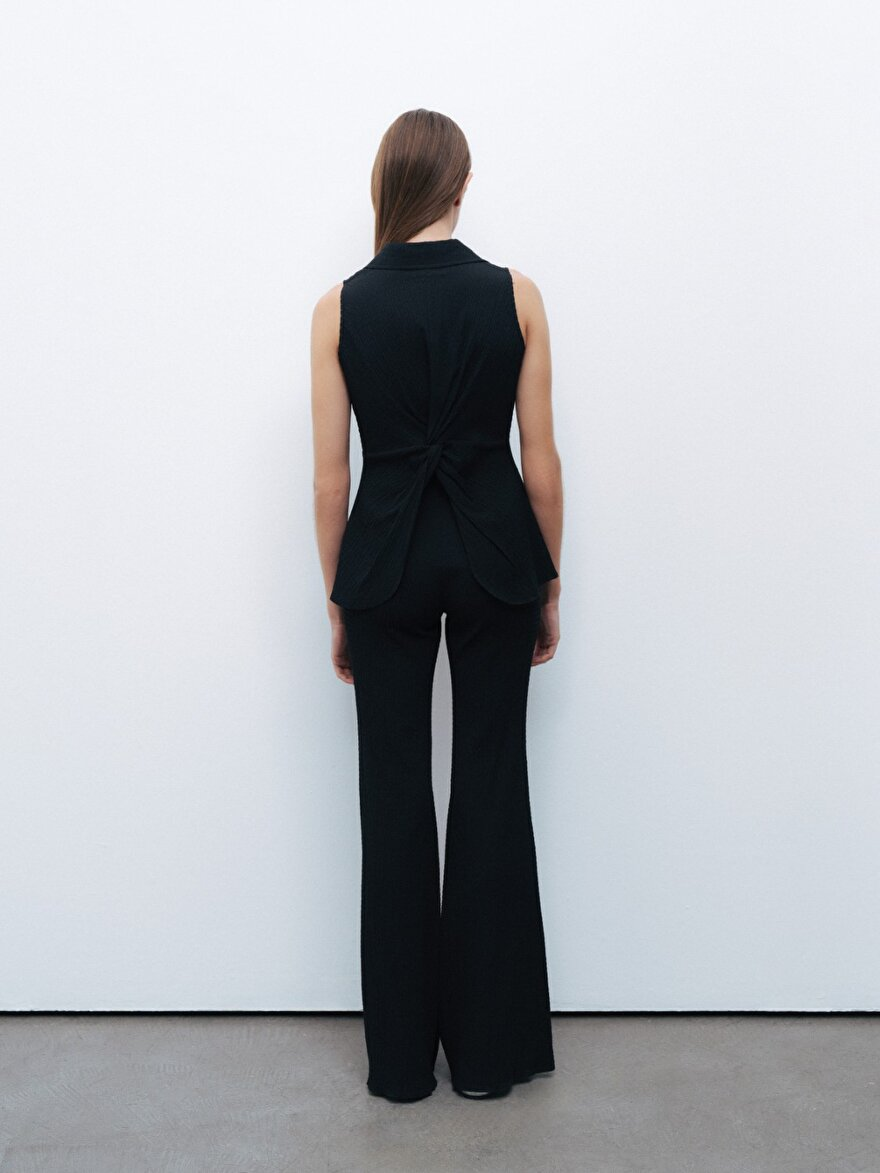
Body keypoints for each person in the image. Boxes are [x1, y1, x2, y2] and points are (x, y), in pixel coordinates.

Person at [311, 108, 563, 1103]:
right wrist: (549, 579)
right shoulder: (517, 296)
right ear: (461, 185)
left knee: (393, 794)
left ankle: (402, 1065)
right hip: (497, 552)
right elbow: (540, 460)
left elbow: (331, 477)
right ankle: (489, 1060)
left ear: (386, 187)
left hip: (384, 564)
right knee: (492, 785)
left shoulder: (338, 309)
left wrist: (338, 597)